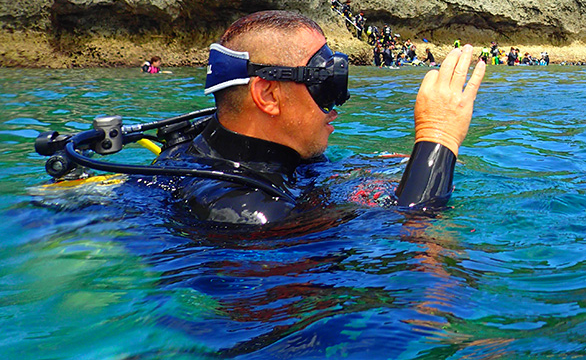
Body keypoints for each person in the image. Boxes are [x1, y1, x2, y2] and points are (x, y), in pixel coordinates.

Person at [159, 11, 486, 224]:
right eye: (325, 82)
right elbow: (416, 262)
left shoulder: (207, 150)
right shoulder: (250, 214)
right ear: (269, 95)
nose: (336, 103)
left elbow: (313, 175)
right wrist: (438, 137)